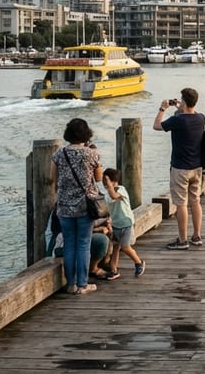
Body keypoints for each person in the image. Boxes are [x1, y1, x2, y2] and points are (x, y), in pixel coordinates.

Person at [51, 118, 103, 294]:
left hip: (64, 206)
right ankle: (82, 285)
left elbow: (54, 179)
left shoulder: (59, 154)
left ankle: (71, 284)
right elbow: (98, 178)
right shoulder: (91, 153)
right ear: (86, 133)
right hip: (84, 206)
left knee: (70, 245)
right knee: (83, 244)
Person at [156, 88, 205, 249]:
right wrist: (182, 107)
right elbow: (192, 112)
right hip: (197, 167)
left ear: (183, 101)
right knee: (195, 201)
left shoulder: (177, 120)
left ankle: (182, 240)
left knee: (181, 204)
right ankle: (197, 236)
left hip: (180, 168)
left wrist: (163, 108)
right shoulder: (201, 118)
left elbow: (157, 126)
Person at [101, 168, 145, 278]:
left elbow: (114, 196)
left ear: (113, 181)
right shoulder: (106, 194)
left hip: (126, 223)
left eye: (106, 180)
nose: (104, 183)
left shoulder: (121, 189)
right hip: (116, 224)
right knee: (115, 248)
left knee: (125, 247)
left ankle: (139, 262)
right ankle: (113, 269)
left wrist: (109, 185)